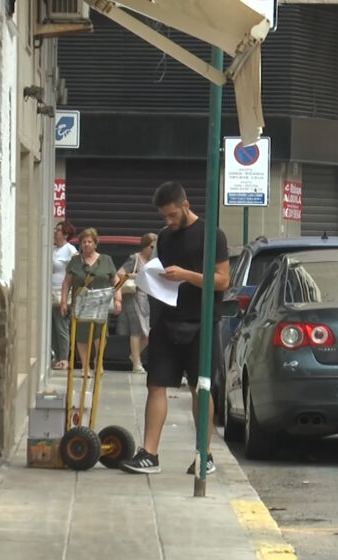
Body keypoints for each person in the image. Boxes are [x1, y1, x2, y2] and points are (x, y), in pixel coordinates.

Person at [120, 181, 230, 475]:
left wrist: (186, 275)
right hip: (167, 320)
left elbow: (222, 281)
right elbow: (161, 272)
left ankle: (203, 455)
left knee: (200, 388)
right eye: (163, 217)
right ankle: (149, 453)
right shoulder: (165, 238)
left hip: (201, 323)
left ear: (185, 205)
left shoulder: (212, 235)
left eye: (171, 215)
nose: (167, 222)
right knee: (155, 384)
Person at [60, 228, 122, 372]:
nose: (86, 244)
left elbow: (115, 280)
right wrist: (64, 302)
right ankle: (85, 365)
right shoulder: (75, 261)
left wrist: (118, 299)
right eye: (83, 242)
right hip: (81, 303)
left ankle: (98, 361)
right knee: (81, 333)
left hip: (100, 302)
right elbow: (67, 283)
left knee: (100, 333)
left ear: (95, 244)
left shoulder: (106, 260)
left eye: (89, 242)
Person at [117, 233, 157, 373]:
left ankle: (134, 356)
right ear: (145, 246)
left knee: (147, 334)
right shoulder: (135, 258)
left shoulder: (153, 262)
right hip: (133, 297)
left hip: (146, 298)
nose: (153, 250)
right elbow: (120, 273)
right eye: (151, 246)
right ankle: (136, 364)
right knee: (137, 330)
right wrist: (137, 275)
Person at [52, 220, 78, 370]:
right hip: (49, 292)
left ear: (66, 234)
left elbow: (75, 272)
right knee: (51, 327)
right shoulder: (53, 249)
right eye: (56, 229)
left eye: (59, 230)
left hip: (61, 293)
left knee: (61, 326)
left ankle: (64, 358)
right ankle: (55, 356)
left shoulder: (70, 250)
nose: (55, 232)